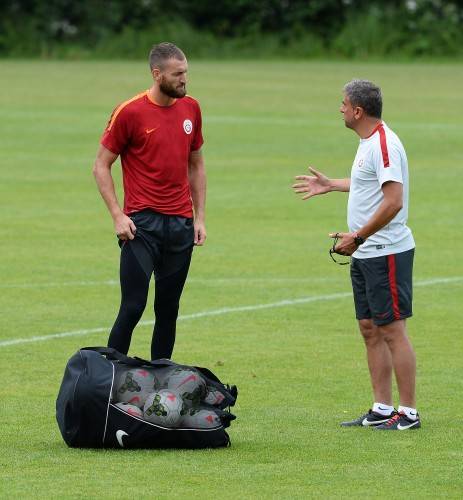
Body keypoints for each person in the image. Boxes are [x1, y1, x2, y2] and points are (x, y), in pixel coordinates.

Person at [293, 79, 420, 430]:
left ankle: (409, 413)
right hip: (365, 252)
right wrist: (332, 184)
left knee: (392, 330)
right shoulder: (368, 142)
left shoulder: (384, 144)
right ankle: (382, 407)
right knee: (369, 329)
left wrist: (359, 237)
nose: (341, 109)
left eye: (344, 104)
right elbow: (368, 183)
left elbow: (393, 201)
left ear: (358, 111)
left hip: (385, 251)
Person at [93, 42, 206, 360]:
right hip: (141, 226)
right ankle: (109, 378)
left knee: (169, 309)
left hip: (181, 225)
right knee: (133, 306)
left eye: (186, 72)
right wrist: (117, 215)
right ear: (157, 74)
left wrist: (199, 217)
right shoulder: (130, 112)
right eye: (178, 74)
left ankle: (161, 381)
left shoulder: (191, 108)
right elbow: (101, 165)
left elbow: (196, 165)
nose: (184, 79)